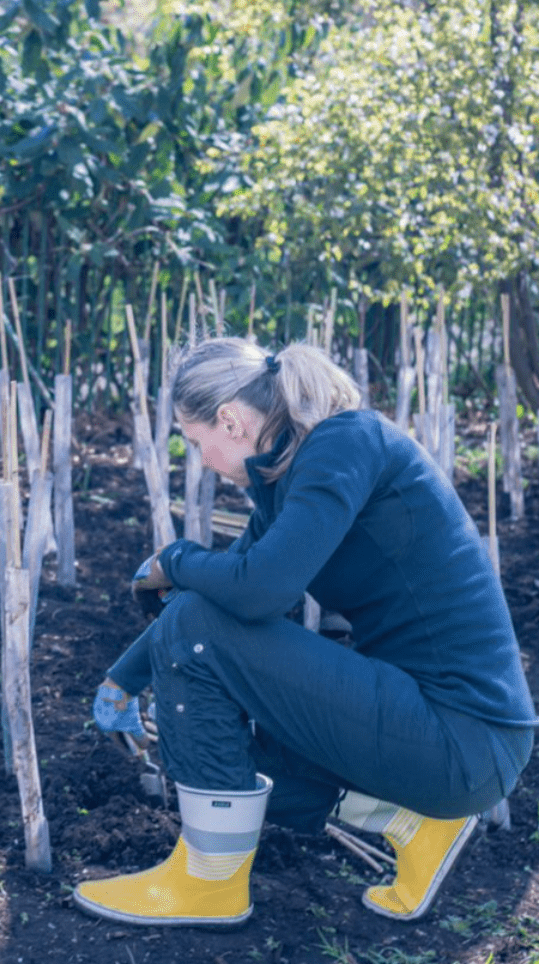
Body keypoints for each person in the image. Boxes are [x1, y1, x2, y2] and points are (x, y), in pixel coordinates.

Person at [74, 337, 536, 927]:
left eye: (195, 442)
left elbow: (256, 592)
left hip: (464, 736)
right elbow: (232, 596)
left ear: (231, 420)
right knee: (209, 736)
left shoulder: (345, 443)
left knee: (195, 632)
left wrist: (177, 556)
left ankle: (207, 883)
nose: (200, 458)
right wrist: (122, 680)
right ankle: (413, 826)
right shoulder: (294, 474)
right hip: (439, 734)